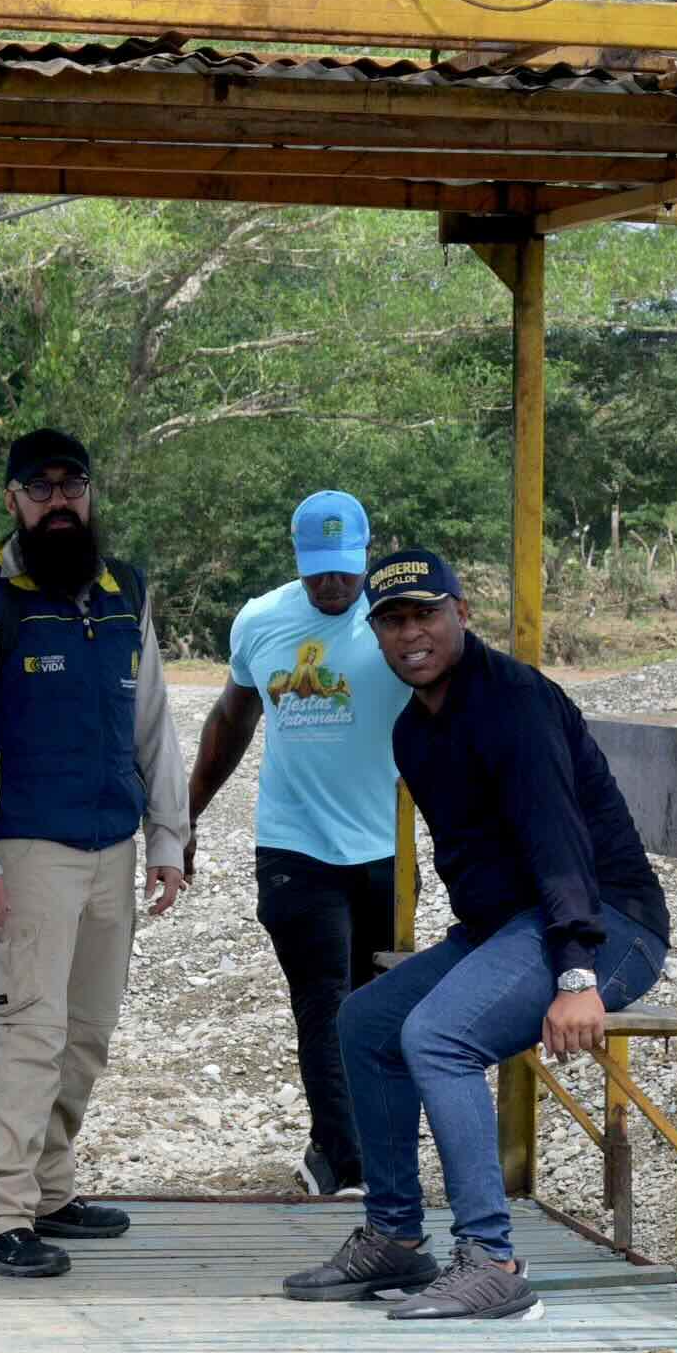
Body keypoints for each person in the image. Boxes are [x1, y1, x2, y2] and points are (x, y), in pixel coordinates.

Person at [280, 549, 669, 1322]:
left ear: (462, 615)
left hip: (605, 927)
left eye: (425, 613)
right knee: (366, 1021)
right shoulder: (414, 732)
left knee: (439, 1036)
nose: (409, 634)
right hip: (510, 929)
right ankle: (395, 1236)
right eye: (391, 621)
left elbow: (562, 849)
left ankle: (492, 1259)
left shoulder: (513, 705)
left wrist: (575, 975)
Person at [0, 430, 189, 1280]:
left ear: (90, 491)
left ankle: (47, 1188)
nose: (57, 502)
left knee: (86, 1035)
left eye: (70, 485)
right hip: (25, 850)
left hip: (114, 845)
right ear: (12, 501)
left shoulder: (126, 590)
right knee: (28, 1031)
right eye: (38, 490)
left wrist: (169, 835)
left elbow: (152, 719)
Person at [184, 490, 401, 1196]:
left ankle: (337, 1142)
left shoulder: (399, 620)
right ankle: (347, 1161)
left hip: (383, 848)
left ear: (366, 554)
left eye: (343, 570)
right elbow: (232, 717)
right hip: (293, 846)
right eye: (317, 572)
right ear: (298, 560)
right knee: (324, 998)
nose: (331, 585)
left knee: (373, 1001)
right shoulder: (262, 620)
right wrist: (184, 816)